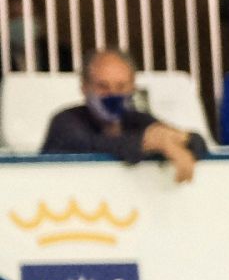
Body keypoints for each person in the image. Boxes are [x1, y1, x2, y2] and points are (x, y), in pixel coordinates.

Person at [41, 49, 206, 183]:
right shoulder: (64, 122)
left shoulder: (135, 119)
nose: (112, 94)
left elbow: (198, 143)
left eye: (121, 86)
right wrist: (154, 142)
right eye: (102, 86)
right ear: (85, 87)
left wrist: (179, 138)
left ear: (133, 88)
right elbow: (95, 145)